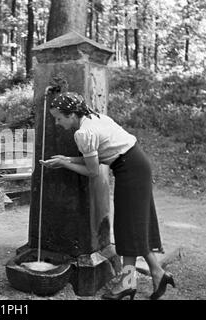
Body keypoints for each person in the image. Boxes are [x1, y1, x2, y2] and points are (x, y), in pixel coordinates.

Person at [40, 92, 175, 300]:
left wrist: (65, 163)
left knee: (128, 226)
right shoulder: (95, 118)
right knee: (131, 226)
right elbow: (94, 158)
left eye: (59, 118)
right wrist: (66, 158)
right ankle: (155, 274)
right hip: (134, 164)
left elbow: (92, 171)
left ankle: (128, 283)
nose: (57, 123)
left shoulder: (83, 133)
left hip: (130, 169)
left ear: (73, 114)